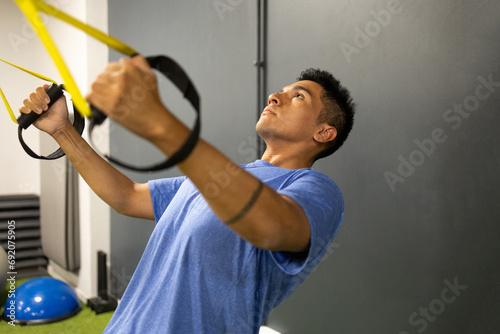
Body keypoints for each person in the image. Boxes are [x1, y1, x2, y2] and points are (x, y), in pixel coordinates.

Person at [20, 56, 355, 333]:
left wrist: (160, 123)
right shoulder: (222, 177)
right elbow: (126, 196)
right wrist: (62, 130)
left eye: (298, 96)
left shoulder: (317, 190)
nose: (275, 97)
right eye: (280, 91)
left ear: (324, 133)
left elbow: (271, 226)